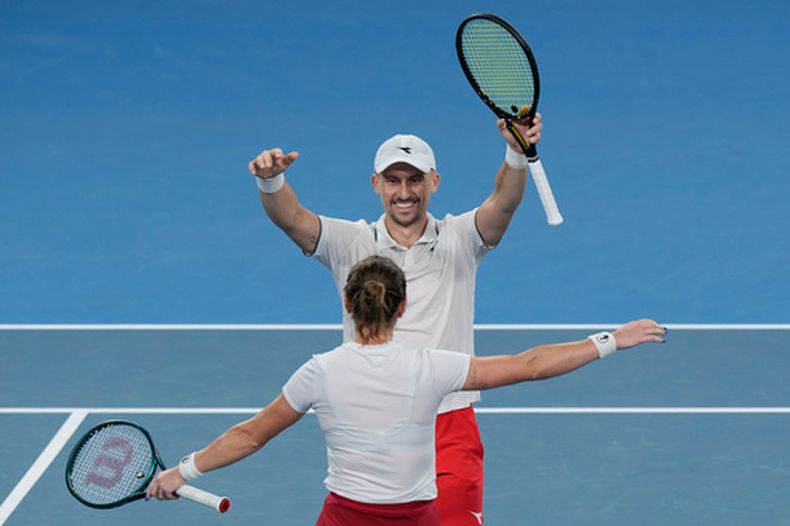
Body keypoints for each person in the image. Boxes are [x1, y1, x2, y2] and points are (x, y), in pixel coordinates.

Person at [146, 255, 667, 525]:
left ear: (348, 305)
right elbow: (528, 365)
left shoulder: (319, 372)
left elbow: (251, 435)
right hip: (417, 520)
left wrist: (181, 471)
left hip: (346, 520)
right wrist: (610, 341)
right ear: (402, 308)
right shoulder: (430, 368)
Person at [247, 116, 541, 525]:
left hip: (449, 422)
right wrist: (271, 182)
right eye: (393, 181)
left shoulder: (461, 237)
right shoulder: (351, 241)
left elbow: (504, 202)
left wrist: (515, 152)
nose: (404, 192)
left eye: (414, 180)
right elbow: (292, 219)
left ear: (434, 182)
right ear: (376, 185)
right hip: (376, 424)